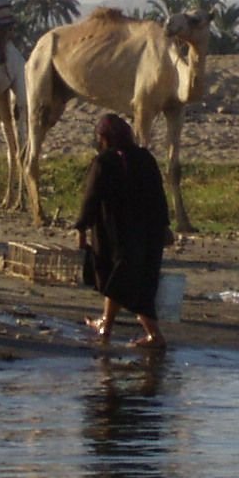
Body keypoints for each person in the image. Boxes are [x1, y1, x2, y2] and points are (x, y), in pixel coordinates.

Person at [76, 113, 173, 348]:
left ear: (103, 138)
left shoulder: (103, 162)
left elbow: (91, 199)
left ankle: (152, 335)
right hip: (147, 232)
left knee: (122, 281)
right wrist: (165, 227)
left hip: (115, 233)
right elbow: (159, 196)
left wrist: (81, 229)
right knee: (130, 281)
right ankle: (107, 325)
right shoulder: (144, 158)